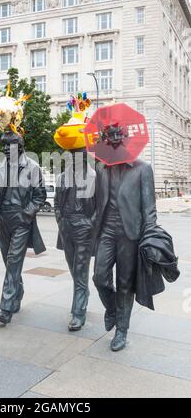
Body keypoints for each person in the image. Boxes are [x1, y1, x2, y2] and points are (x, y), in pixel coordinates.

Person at [93, 125, 157, 351]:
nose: (115, 141)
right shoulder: (101, 168)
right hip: (107, 231)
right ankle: (111, 308)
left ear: (127, 140)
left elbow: (149, 209)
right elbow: (97, 203)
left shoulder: (143, 169)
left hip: (131, 234)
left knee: (124, 284)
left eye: (119, 137)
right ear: (107, 141)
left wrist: (149, 238)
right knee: (99, 277)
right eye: (111, 138)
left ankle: (122, 329)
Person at [0, 130, 46, 325]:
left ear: (20, 146)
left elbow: (40, 195)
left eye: (10, 145)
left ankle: (5, 308)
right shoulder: (0, 167)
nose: (6, 148)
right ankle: (18, 291)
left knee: (14, 261)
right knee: (9, 262)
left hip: (21, 219)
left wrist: (27, 214)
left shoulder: (32, 167)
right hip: (3, 220)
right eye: (4, 145)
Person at [55, 148, 96, 331]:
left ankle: (78, 312)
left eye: (77, 154)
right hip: (66, 226)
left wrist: (90, 223)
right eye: (70, 154)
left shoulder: (95, 176)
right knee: (73, 267)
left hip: (84, 226)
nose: (73, 158)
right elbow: (57, 202)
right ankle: (83, 292)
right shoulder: (62, 177)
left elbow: (101, 205)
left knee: (80, 268)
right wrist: (59, 219)